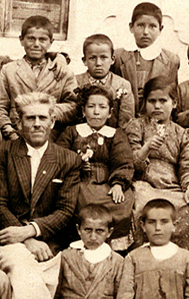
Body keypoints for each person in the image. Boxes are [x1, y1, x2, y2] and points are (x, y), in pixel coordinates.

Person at [0, 91, 81, 299]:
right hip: (10, 241)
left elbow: (66, 210)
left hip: (48, 242)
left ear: (53, 121)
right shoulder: (2, 152)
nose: (37, 123)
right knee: (24, 266)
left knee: (27, 279)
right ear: (19, 121)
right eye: (30, 118)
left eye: (43, 117)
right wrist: (24, 238)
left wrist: (31, 231)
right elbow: (0, 203)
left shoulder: (68, 159)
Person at [126, 76, 189, 250]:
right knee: (141, 208)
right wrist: (145, 149)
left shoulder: (183, 134)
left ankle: (179, 259)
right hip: (144, 184)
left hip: (172, 187)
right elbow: (128, 162)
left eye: (163, 101)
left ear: (174, 103)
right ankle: (142, 258)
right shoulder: (136, 126)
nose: (157, 106)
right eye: (152, 101)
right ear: (145, 103)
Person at [54, 85, 135, 251]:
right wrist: (77, 161)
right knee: (79, 203)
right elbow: (58, 156)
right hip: (79, 181)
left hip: (108, 182)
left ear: (110, 112)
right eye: (91, 107)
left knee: (121, 203)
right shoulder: (72, 132)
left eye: (102, 107)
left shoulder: (116, 134)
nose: (96, 112)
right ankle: (81, 242)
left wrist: (118, 183)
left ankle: (112, 246)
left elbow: (123, 161)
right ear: (83, 111)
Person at [0, 15, 77, 141]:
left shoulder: (62, 70)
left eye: (42, 40)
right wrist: (10, 133)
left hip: (52, 137)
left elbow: (73, 105)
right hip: (17, 135)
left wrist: (47, 110)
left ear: (51, 42)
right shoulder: (9, 70)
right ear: (21, 40)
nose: (36, 44)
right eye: (31, 39)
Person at [111, 2, 180, 116]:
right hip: (123, 121)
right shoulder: (118, 57)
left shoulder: (171, 60)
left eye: (152, 26)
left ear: (160, 29)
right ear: (131, 27)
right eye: (140, 25)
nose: (146, 32)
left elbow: (171, 97)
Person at [75, 33, 134, 129]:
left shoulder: (122, 85)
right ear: (84, 60)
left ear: (112, 59)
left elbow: (126, 122)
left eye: (103, 58)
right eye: (92, 58)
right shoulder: (75, 82)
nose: (98, 63)